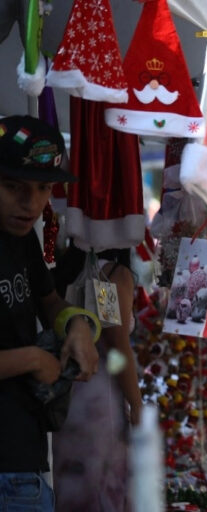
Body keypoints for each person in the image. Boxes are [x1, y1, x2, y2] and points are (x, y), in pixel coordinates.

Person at [0, 115, 100, 511]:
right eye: (13, 187)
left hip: (24, 453)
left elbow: (50, 301)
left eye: (43, 188)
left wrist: (76, 324)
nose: (32, 204)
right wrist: (32, 360)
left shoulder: (20, 240)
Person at [52, 247, 142, 511]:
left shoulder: (66, 266)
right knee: (99, 482)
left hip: (67, 388)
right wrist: (135, 401)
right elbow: (116, 343)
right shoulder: (111, 275)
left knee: (71, 479)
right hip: (99, 396)